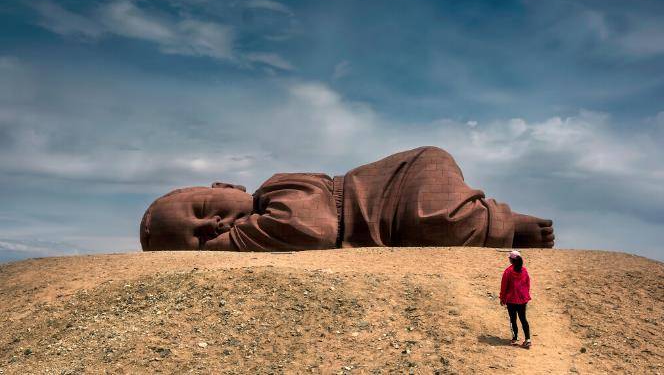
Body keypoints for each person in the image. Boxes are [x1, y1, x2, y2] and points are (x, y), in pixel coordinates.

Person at [140, 146, 555, 251]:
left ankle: (503, 222)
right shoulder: (263, 224)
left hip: (400, 186)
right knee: (432, 229)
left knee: (435, 219)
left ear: (226, 188)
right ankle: (503, 225)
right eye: (197, 239)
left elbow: (312, 228)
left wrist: (224, 246)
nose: (211, 227)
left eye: (202, 212)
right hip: (390, 222)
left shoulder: (278, 188)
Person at [500, 250, 532, 349]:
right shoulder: (524, 270)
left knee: (513, 319)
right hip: (522, 299)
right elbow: (527, 284)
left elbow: (504, 286)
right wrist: (525, 294)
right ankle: (528, 339)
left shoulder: (508, 271)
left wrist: (502, 298)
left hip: (511, 299)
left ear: (511, 260)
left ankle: (515, 338)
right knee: (523, 319)